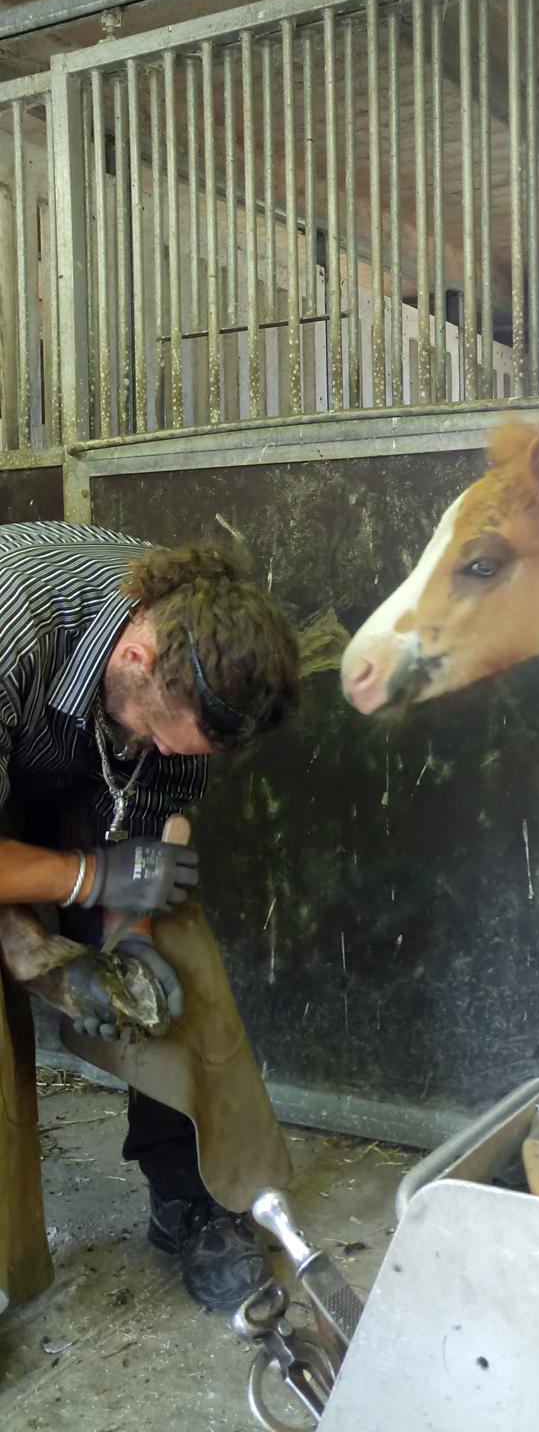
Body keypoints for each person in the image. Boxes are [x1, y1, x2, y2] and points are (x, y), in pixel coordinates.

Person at [0, 519, 300, 1312]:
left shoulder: (182, 665)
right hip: (18, 721)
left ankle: (194, 1193)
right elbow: (104, 865)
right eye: (165, 739)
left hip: (54, 764)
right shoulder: (13, 619)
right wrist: (88, 877)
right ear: (135, 656)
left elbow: (143, 842)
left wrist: (130, 945)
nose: (170, 755)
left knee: (175, 928)